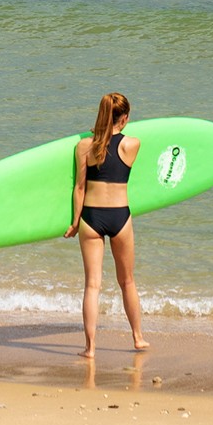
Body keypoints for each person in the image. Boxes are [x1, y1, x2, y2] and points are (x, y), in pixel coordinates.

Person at [64, 92, 149, 356]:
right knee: (128, 282)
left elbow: (79, 188)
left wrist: (75, 222)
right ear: (124, 119)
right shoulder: (132, 145)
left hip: (91, 217)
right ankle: (137, 338)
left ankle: (90, 349)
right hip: (119, 217)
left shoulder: (84, 147)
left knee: (92, 285)